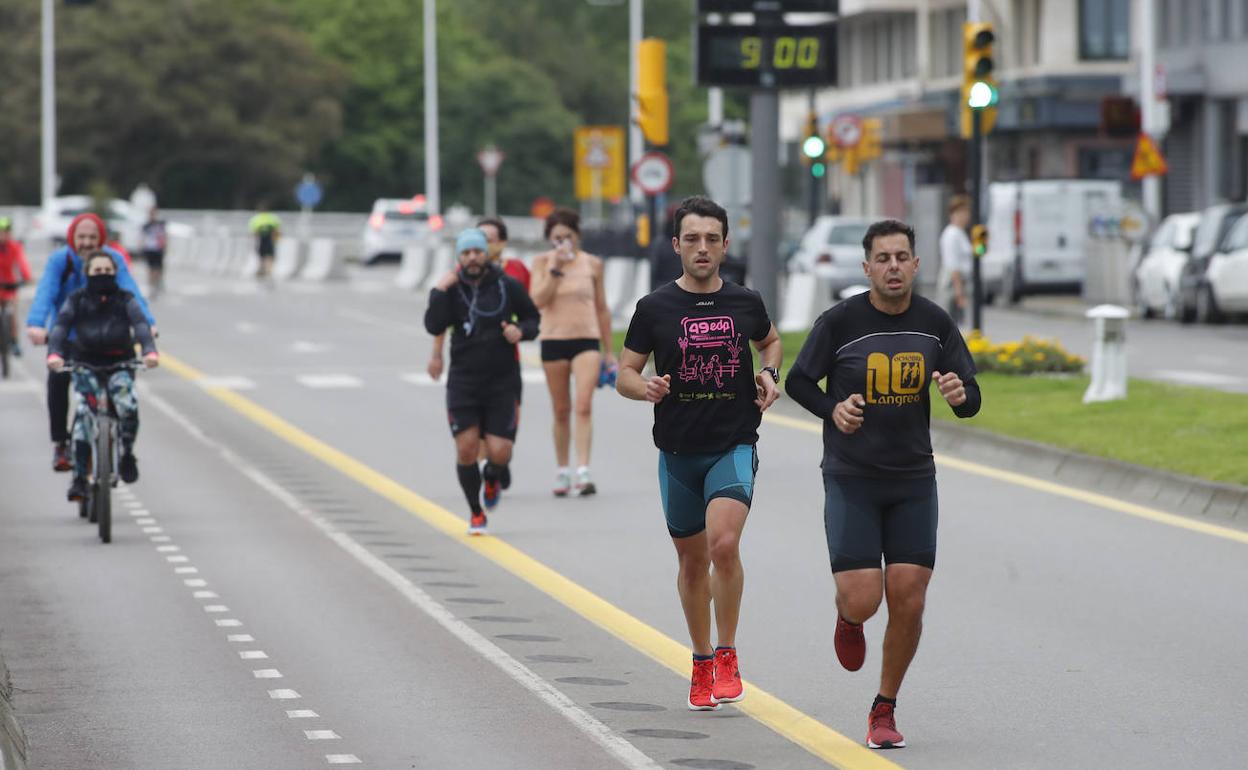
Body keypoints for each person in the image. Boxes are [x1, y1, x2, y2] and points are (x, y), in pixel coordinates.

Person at [784, 219, 982, 750]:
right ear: (867, 267)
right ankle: (848, 617)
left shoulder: (935, 323)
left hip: (914, 478)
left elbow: (971, 397)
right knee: (866, 598)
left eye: (902, 257)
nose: (893, 266)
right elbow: (798, 380)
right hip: (852, 477)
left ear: (916, 265)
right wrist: (833, 409)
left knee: (909, 598)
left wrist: (961, 395)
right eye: (883, 258)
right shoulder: (841, 321)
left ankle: (884, 707)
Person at [617, 195, 782, 711]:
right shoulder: (654, 308)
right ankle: (701, 658)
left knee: (724, 546)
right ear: (676, 246)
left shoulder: (746, 302)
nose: (703, 248)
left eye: (712, 239)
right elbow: (623, 372)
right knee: (691, 563)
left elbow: (771, 343)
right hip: (677, 453)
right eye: (693, 239)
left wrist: (770, 374)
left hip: (732, 442)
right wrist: (643, 387)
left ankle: (729, 653)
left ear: (726, 245)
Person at [424, 228, 541, 535]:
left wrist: (521, 331)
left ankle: (493, 476)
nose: (472, 257)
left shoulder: (507, 285)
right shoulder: (450, 289)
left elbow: (532, 319)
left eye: (477, 251)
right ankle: (476, 512)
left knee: (501, 451)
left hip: (503, 380)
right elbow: (433, 324)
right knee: (466, 449)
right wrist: (438, 289)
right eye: (466, 253)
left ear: (486, 253)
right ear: (459, 257)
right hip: (464, 380)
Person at [26, 213, 155, 472]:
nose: (86, 243)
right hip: (69, 338)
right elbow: (45, 293)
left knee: (126, 391)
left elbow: (132, 295)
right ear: (72, 238)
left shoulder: (111, 261)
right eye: (81, 237)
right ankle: (61, 443)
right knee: (58, 381)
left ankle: (122, 442)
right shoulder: (60, 261)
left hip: (112, 341)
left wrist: (149, 325)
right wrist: (37, 324)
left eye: (92, 238)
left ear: (101, 240)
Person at [47, 251, 159, 501]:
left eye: (108, 271)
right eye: (97, 271)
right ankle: (78, 478)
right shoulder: (77, 299)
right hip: (85, 363)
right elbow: (61, 327)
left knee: (128, 405)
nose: (103, 275)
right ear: (87, 273)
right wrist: (55, 354)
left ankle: (127, 452)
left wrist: (149, 351)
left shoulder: (125, 299)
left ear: (115, 272)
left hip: (120, 362)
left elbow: (140, 325)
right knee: (85, 417)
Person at [530, 208, 614, 497]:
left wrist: (609, 350)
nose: (562, 243)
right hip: (554, 340)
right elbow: (537, 301)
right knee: (561, 409)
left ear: (577, 236)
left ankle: (583, 469)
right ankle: (562, 469)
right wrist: (555, 268)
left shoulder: (592, 264)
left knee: (583, 405)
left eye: (567, 237)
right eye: (556, 238)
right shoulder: (542, 263)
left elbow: (602, 307)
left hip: (586, 339)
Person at [428, 217, 530, 381]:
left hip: (506, 351)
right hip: (468, 358)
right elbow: (441, 319)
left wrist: (521, 329)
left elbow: (531, 308)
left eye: (489, 240)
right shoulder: (461, 275)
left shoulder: (515, 270)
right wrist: (436, 354)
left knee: (510, 405)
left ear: (502, 243)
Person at [938, 195, 973, 326]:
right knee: (953, 325)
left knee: (958, 324)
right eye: (960, 212)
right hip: (953, 286)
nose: (965, 216)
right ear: (952, 214)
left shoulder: (960, 233)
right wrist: (959, 293)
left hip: (960, 284)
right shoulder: (951, 234)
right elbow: (953, 265)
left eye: (966, 212)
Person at [0, 217, 33, 357]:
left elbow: (22, 262)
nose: (3, 235)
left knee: (12, 314)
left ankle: (14, 341)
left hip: (9, 285)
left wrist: (26, 277)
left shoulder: (14, 246)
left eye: (5, 232)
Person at [140, 207, 169, 296]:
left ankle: (158, 282)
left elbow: (165, 235)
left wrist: (165, 245)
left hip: (158, 248)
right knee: (151, 269)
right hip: (149, 249)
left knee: (159, 268)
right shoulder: (146, 225)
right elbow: (142, 237)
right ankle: (152, 287)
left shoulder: (161, 224)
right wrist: (142, 246)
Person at [249, 205, 281, 280]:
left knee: (261, 254)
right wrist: (277, 239)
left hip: (261, 239)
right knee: (270, 255)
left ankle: (262, 268)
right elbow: (277, 229)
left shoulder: (256, 218)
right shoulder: (272, 218)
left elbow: (254, 231)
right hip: (270, 239)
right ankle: (268, 270)